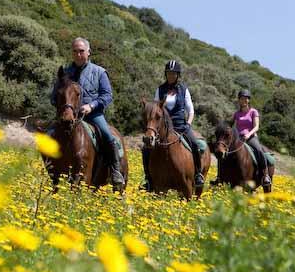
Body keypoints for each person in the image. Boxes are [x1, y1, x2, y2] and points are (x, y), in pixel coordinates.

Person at [50, 37, 124, 187]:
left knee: (108, 136)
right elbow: (53, 96)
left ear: (89, 52)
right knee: (48, 135)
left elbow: (107, 95)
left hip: (92, 115)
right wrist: (62, 106)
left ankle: (115, 171)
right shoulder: (65, 73)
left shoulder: (99, 72)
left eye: (81, 51)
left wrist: (91, 106)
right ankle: (51, 171)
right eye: (75, 51)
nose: (78, 54)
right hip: (67, 116)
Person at [142, 60, 204, 191]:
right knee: (146, 148)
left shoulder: (183, 90)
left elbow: (190, 110)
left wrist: (188, 123)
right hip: (163, 128)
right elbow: (155, 109)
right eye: (169, 73)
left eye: (174, 73)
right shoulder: (160, 89)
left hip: (181, 125)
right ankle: (148, 178)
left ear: (178, 75)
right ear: (166, 74)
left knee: (194, 144)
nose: (171, 75)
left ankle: (198, 174)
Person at [232, 89, 271, 187]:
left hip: (251, 137)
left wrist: (248, 134)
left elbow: (256, 126)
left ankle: (265, 175)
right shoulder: (236, 114)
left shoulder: (253, 112)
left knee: (259, 150)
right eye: (241, 99)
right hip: (239, 138)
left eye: (246, 99)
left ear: (248, 100)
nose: (244, 100)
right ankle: (220, 176)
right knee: (226, 153)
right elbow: (233, 126)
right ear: (239, 100)